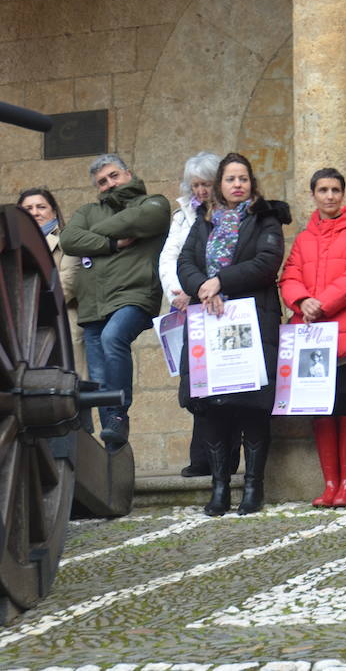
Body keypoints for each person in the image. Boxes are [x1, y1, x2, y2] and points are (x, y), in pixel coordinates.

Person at [176, 153, 290, 516]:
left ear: (251, 183)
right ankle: (220, 487)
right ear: (220, 185)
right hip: (209, 319)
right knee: (212, 407)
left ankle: (253, 487)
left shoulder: (266, 218)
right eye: (230, 179)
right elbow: (185, 263)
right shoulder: (204, 219)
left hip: (253, 321)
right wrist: (203, 287)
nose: (237, 184)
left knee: (251, 406)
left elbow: (265, 262)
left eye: (243, 179)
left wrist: (220, 280)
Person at [279, 167, 346, 509]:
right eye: (322, 190)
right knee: (320, 406)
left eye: (335, 189)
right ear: (313, 194)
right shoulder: (305, 238)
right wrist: (301, 301)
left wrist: (321, 303)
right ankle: (330, 483)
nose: (329, 196)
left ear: (343, 193)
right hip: (313, 336)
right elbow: (289, 276)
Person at [60, 154, 173, 451]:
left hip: (134, 296)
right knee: (98, 378)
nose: (109, 184)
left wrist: (93, 235)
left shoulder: (154, 202)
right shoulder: (87, 210)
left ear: (128, 174)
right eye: (102, 182)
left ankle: (119, 415)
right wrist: (112, 243)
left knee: (114, 337)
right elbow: (69, 239)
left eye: (114, 176)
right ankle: (113, 439)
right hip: (94, 303)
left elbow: (144, 219)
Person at [155, 152, 221, 476]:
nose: (200, 191)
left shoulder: (227, 214)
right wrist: (176, 292)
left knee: (223, 382)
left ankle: (222, 459)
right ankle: (202, 458)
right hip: (189, 304)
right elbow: (170, 258)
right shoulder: (182, 216)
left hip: (219, 303)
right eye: (195, 185)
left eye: (206, 184)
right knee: (195, 383)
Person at [17, 187, 80, 336]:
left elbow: (68, 285)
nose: (34, 213)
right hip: (18, 329)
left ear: (54, 212)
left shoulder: (68, 242)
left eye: (41, 207)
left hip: (61, 323)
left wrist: (25, 308)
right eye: (28, 208)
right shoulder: (8, 249)